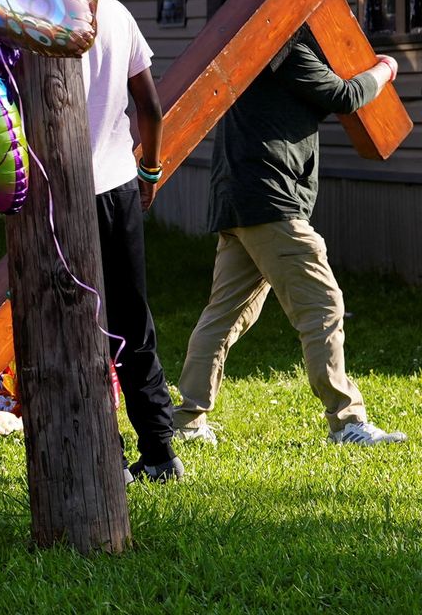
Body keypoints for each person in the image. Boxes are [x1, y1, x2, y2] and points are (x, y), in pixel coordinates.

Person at [174, 29, 406, 447]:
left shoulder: (253, 46)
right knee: (323, 304)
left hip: (239, 200)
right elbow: (344, 96)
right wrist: (385, 69)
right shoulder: (284, 48)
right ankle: (347, 421)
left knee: (225, 314)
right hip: (271, 202)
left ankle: (187, 421)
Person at [79, 0, 179, 482]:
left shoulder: (25, 14)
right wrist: (151, 170)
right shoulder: (117, 11)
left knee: (79, 328)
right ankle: (161, 453)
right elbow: (151, 107)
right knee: (132, 321)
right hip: (120, 183)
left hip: (61, 194)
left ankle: (105, 453)